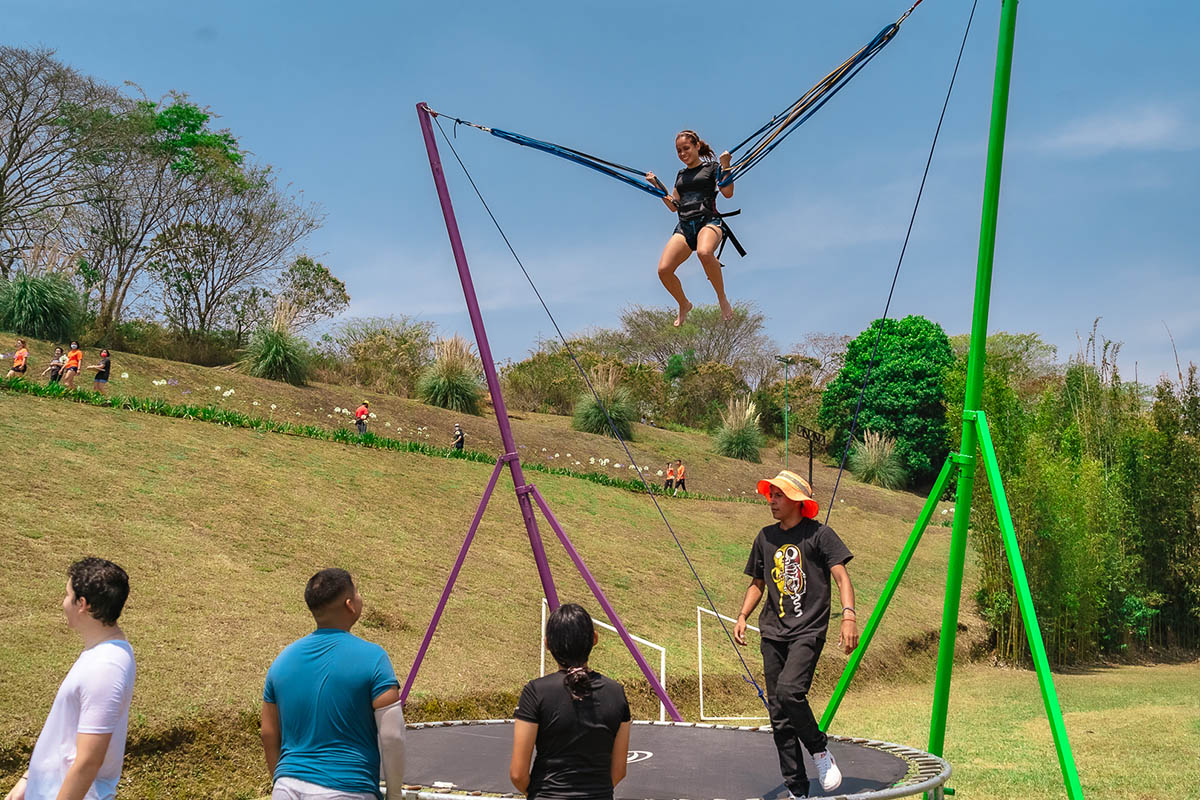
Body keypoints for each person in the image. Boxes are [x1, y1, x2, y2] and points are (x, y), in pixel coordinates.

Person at [732, 471, 859, 798]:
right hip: (773, 633)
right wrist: (743, 615)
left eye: (778, 495)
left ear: (797, 501)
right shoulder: (764, 537)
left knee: (790, 692)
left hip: (807, 630)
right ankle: (797, 790)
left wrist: (848, 617)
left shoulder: (820, 536)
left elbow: (842, 579)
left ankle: (819, 751)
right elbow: (757, 583)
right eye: (770, 494)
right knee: (779, 715)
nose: (771, 501)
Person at [261, 568, 404, 800]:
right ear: (350, 605)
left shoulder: (282, 661)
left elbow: (268, 732)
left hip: (286, 787)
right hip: (347, 788)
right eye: (357, 592)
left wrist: (281, 780)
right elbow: (393, 737)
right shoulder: (373, 658)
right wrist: (395, 795)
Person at [5, 558, 136, 800]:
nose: (63, 602)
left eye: (67, 595)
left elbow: (89, 761)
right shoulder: (101, 653)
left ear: (82, 604)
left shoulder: (105, 667)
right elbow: (66, 733)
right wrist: (28, 778)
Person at [510, 603, 632, 800]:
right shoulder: (616, 693)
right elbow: (618, 771)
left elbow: (518, 774)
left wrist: (541, 793)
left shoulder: (535, 692)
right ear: (594, 639)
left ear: (547, 643)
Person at [646, 130, 736, 327]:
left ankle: (722, 298)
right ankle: (684, 304)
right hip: (685, 226)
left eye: (686, 148)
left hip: (709, 222)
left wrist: (726, 166)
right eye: (679, 151)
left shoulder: (712, 168)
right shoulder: (681, 175)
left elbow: (728, 193)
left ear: (696, 146)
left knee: (704, 252)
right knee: (664, 270)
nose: (682, 153)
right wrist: (657, 186)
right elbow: (673, 205)